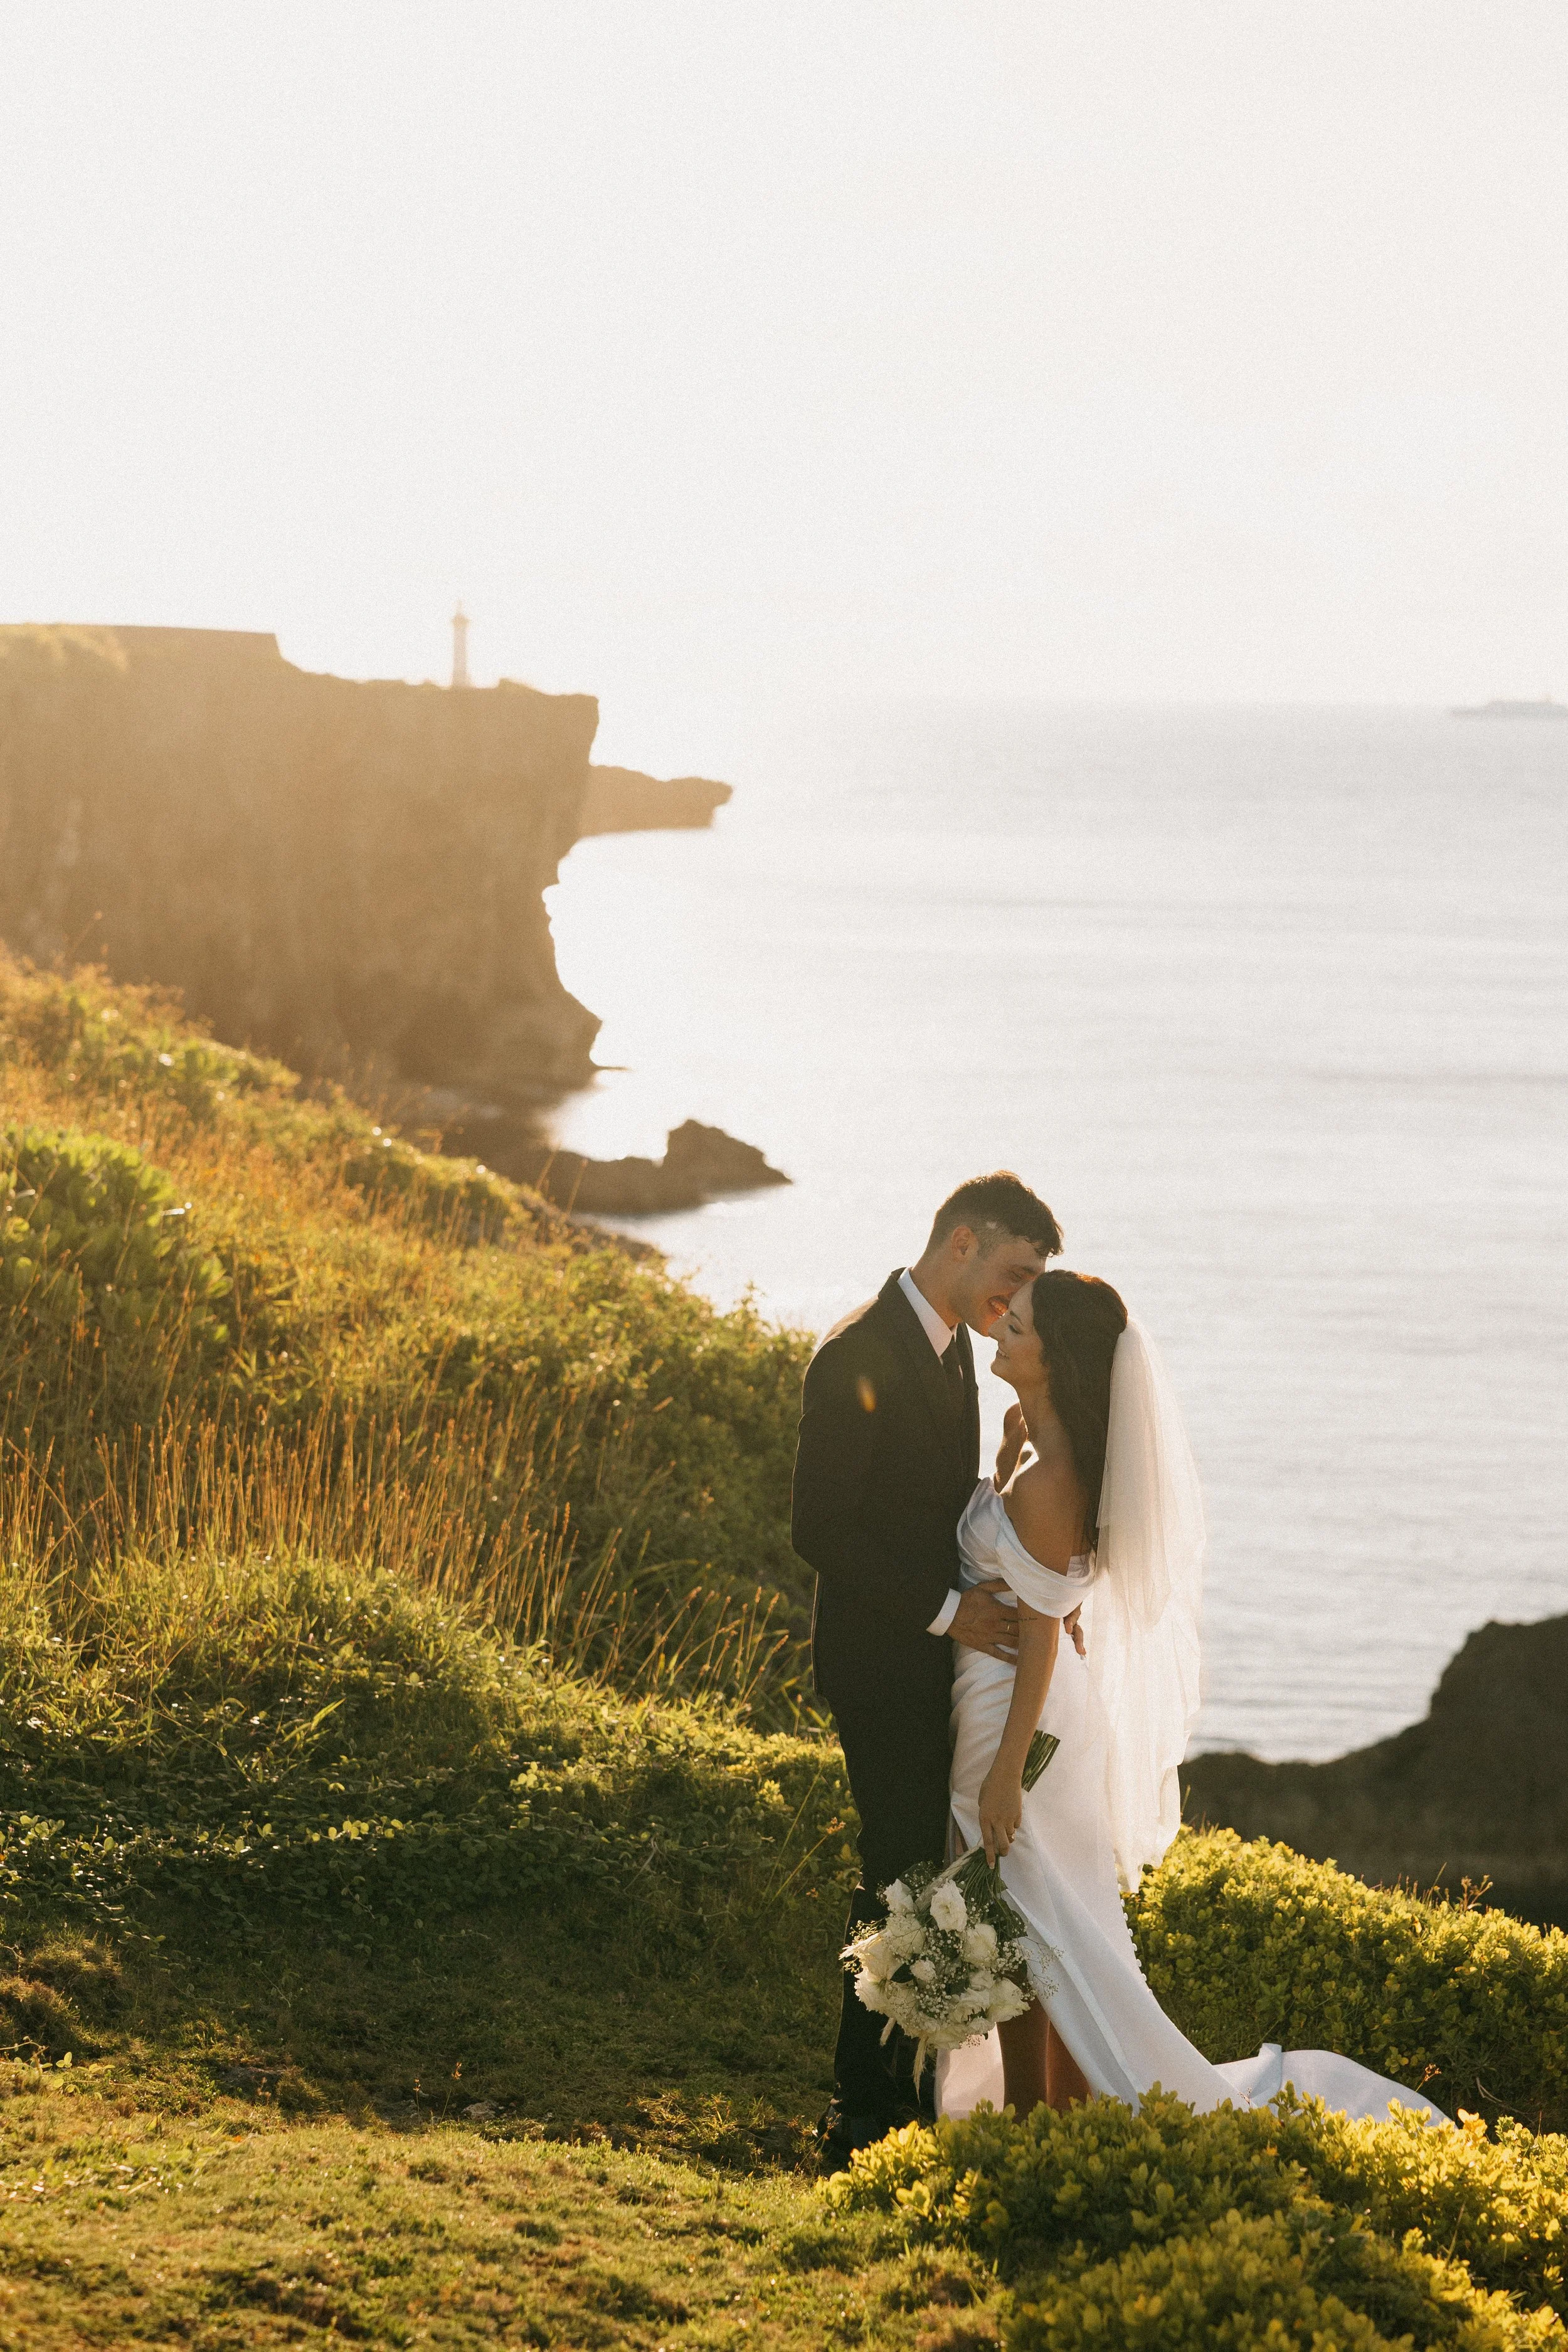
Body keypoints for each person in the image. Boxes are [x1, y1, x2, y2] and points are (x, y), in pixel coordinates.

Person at [941, 1268, 1445, 2127]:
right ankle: (1057, 2107)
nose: (999, 1329)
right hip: (1010, 1696)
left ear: (1056, 1360)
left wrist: (1006, 1774)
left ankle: (1035, 2115)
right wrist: (1003, 1467)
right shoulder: (1037, 1446)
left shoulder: (1052, 1473)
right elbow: (1045, 1582)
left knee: (1021, 1914)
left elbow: (1042, 1632)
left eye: (1017, 1325)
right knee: (1037, 1914)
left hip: (1018, 1714)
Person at [791, 1172, 1065, 2168]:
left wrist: (1007, 1507)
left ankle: (904, 2089)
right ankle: (861, 2109)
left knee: (918, 1869)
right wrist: (952, 1612)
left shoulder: (954, 1352)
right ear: (961, 1242)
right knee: (897, 1870)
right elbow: (820, 1528)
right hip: (879, 1663)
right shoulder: (856, 1352)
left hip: (936, 1665)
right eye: (1015, 1272)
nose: (1020, 1298)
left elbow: (931, 1510)